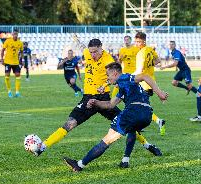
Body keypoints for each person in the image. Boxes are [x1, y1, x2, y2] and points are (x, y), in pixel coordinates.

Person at [33, 39, 162, 159]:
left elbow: (114, 76)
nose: (93, 55)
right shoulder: (87, 52)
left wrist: (104, 85)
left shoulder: (108, 59)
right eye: (91, 52)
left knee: (128, 124)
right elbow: (84, 48)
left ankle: (148, 145)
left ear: (101, 49)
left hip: (103, 99)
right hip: (88, 98)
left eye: (95, 52)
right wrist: (78, 41)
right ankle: (42, 147)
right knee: (70, 123)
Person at [63, 62, 168, 172]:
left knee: (107, 140)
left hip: (133, 111)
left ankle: (79, 165)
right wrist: (96, 102)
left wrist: (159, 92)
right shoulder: (124, 86)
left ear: (114, 73)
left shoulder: (124, 78)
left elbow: (145, 76)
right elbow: (110, 105)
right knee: (132, 130)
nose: (107, 78)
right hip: (147, 115)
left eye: (108, 75)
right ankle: (125, 161)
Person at [133, 32, 166, 136]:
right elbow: (158, 61)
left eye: (139, 41)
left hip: (144, 84)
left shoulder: (141, 53)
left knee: (139, 106)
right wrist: (150, 65)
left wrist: (127, 77)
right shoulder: (150, 49)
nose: (137, 43)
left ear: (144, 41)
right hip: (151, 82)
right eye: (136, 41)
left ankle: (158, 121)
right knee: (139, 106)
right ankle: (138, 127)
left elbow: (139, 70)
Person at [1, 29, 23, 98]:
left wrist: (21, 60)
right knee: (7, 75)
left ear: (18, 35)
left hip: (16, 62)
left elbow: (21, 52)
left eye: (16, 34)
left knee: (18, 75)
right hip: (7, 61)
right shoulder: (8, 41)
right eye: (14, 34)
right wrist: (2, 59)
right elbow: (3, 50)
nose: (15, 35)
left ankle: (17, 93)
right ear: (12, 34)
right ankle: (9, 91)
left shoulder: (20, 43)